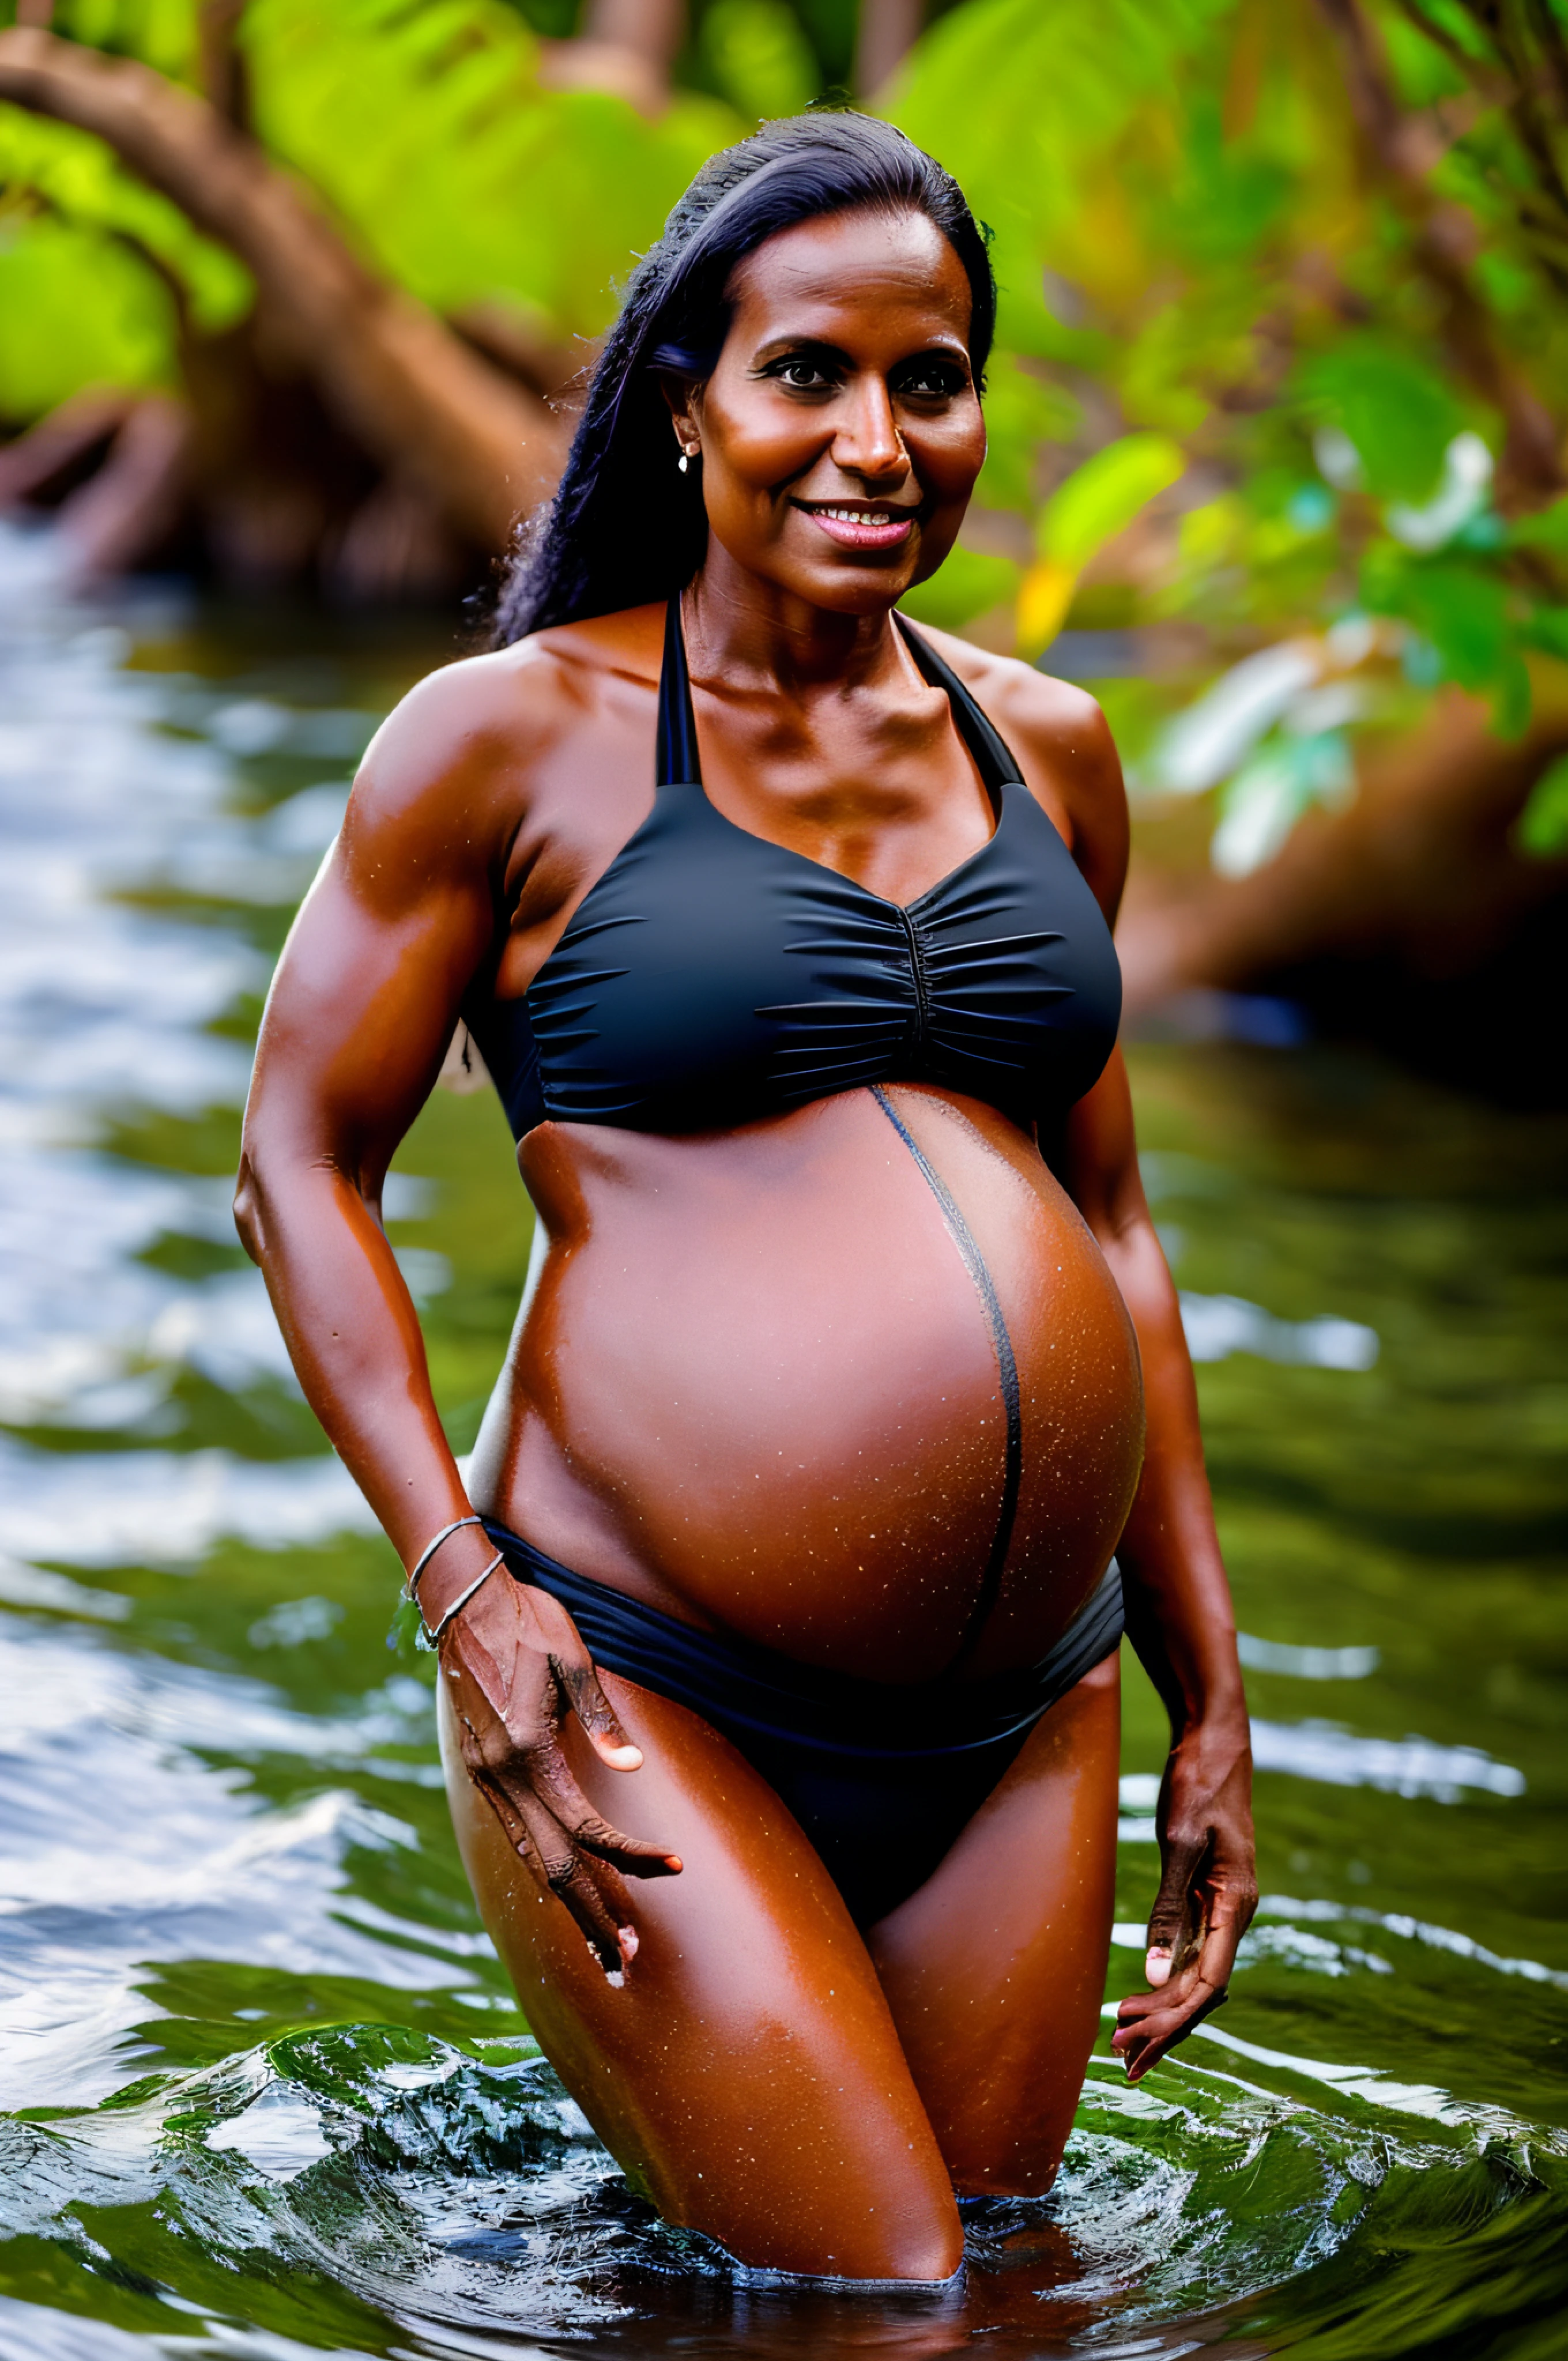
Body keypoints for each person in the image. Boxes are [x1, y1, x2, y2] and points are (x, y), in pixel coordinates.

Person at [236, 112, 1256, 2285]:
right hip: (637, 1678)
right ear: (685, 403)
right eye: (810, 374)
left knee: (1009, 2289)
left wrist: (1213, 1692)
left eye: (935, 379)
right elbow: (296, 1168)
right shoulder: (506, 740)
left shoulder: (1051, 756)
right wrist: (466, 1597)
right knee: (875, 2305)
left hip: (1030, 1715)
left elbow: (1120, 1231)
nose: (878, 439)